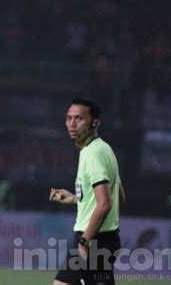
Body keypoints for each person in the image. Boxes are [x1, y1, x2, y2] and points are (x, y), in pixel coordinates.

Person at [49, 98, 125, 285]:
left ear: (95, 123)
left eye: (79, 118)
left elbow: (106, 203)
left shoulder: (93, 153)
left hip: (93, 240)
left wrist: (84, 242)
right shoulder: (104, 149)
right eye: (68, 118)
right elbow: (119, 198)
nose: (72, 123)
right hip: (106, 239)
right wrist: (77, 199)